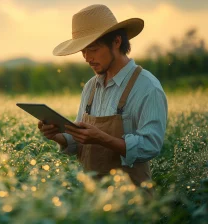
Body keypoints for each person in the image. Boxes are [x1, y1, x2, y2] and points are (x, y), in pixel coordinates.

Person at [38, 4, 168, 187]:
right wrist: (56, 135)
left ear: (116, 42)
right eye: (83, 51)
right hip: (92, 200)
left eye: (93, 49)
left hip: (132, 203)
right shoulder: (91, 87)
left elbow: (150, 146)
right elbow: (79, 143)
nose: (87, 58)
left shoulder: (148, 87)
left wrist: (101, 138)